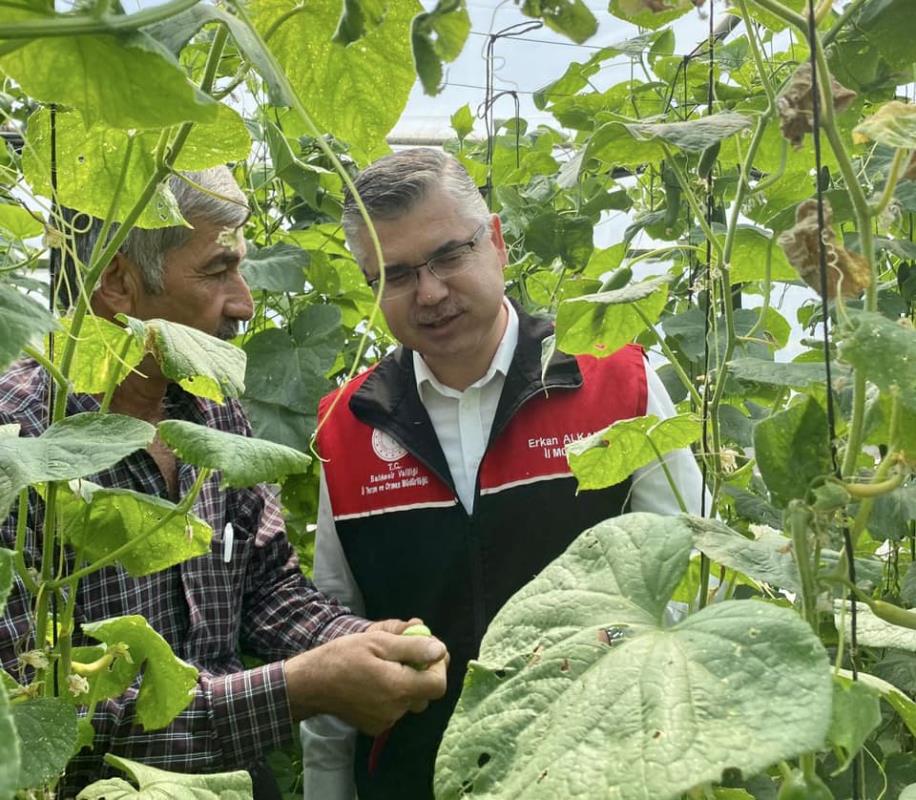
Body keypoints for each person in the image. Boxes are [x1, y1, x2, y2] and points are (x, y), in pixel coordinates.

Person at [0, 166, 448, 799]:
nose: (245, 301)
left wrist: (358, 643)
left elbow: (267, 589)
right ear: (117, 282)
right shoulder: (18, 443)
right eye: (216, 270)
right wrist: (299, 687)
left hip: (229, 782)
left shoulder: (207, 401)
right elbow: (43, 707)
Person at [302, 148, 707, 799]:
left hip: (601, 773)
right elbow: (336, 634)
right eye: (398, 275)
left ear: (494, 241)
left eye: (448, 256)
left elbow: (694, 583)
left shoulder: (616, 383)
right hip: (418, 781)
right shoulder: (349, 427)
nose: (429, 292)